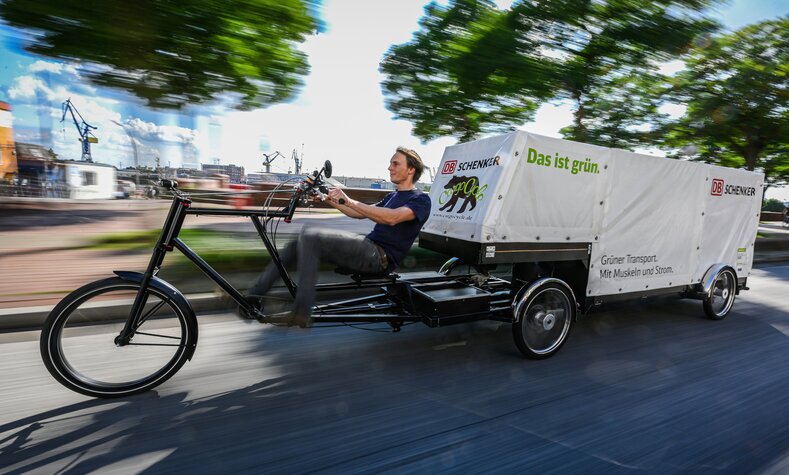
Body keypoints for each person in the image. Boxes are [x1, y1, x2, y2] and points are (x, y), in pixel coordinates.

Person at [244, 146, 432, 326]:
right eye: (390, 163)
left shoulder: (421, 199)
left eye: (395, 163)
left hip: (379, 257)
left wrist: (348, 199)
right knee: (297, 242)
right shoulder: (392, 196)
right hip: (367, 246)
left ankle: (301, 312)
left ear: (410, 170)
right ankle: (252, 298)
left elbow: (393, 218)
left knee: (311, 237)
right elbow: (359, 213)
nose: (389, 167)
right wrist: (329, 199)